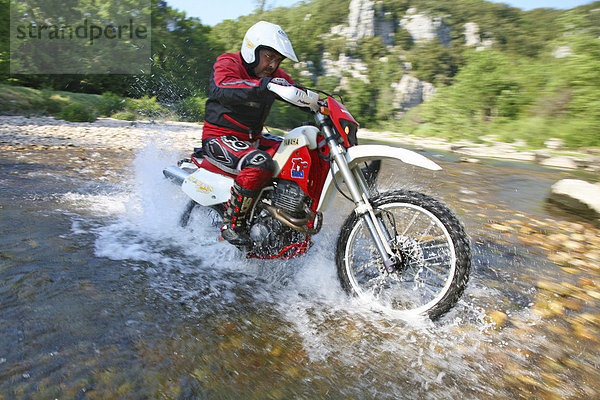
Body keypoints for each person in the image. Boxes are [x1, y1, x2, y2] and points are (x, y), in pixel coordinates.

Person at [201, 21, 298, 246]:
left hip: (252, 139)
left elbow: (296, 92)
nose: (272, 64)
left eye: (277, 60)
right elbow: (221, 86)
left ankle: (284, 217)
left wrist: (322, 103)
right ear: (252, 50)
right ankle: (233, 224)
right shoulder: (228, 62)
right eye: (269, 57)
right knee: (260, 164)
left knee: (301, 150)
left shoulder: (276, 75)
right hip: (219, 137)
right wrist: (263, 85)